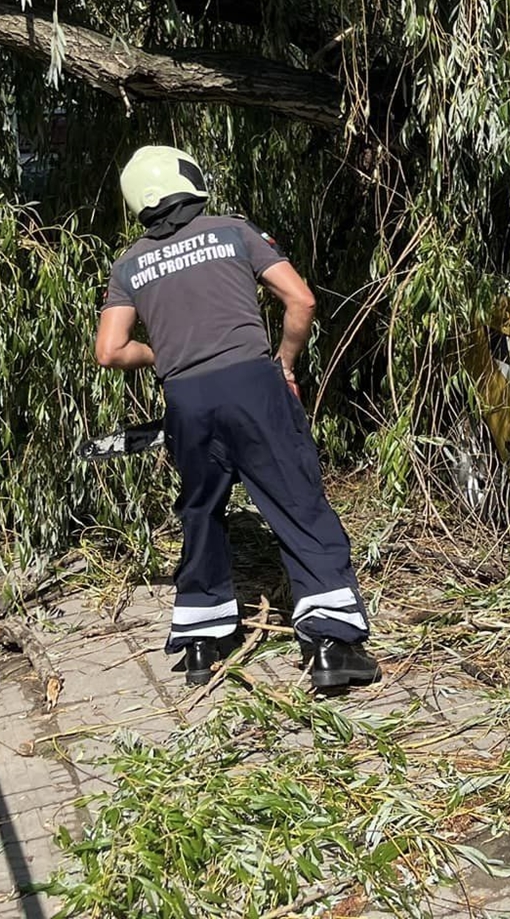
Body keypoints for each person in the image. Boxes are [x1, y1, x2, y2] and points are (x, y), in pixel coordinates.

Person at [94, 145, 379, 694]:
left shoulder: (129, 265)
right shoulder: (232, 231)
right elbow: (301, 300)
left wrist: (163, 355)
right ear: (190, 180)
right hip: (253, 385)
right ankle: (332, 645)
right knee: (296, 503)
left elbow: (110, 351)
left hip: (185, 402)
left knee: (201, 512)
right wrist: (286, 363)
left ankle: (202, 641)